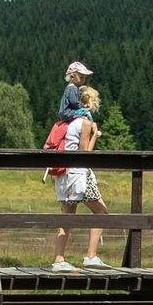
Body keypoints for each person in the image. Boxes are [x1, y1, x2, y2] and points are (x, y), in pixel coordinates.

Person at [50, 87, 110, 271]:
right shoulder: (84, 123)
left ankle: (59, 260)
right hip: (80, 174)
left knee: (67, 217)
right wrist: (94, 136)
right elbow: (84, 153)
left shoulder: (68, 122)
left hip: (65, 175)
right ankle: (90, 256)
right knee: (102, 213)